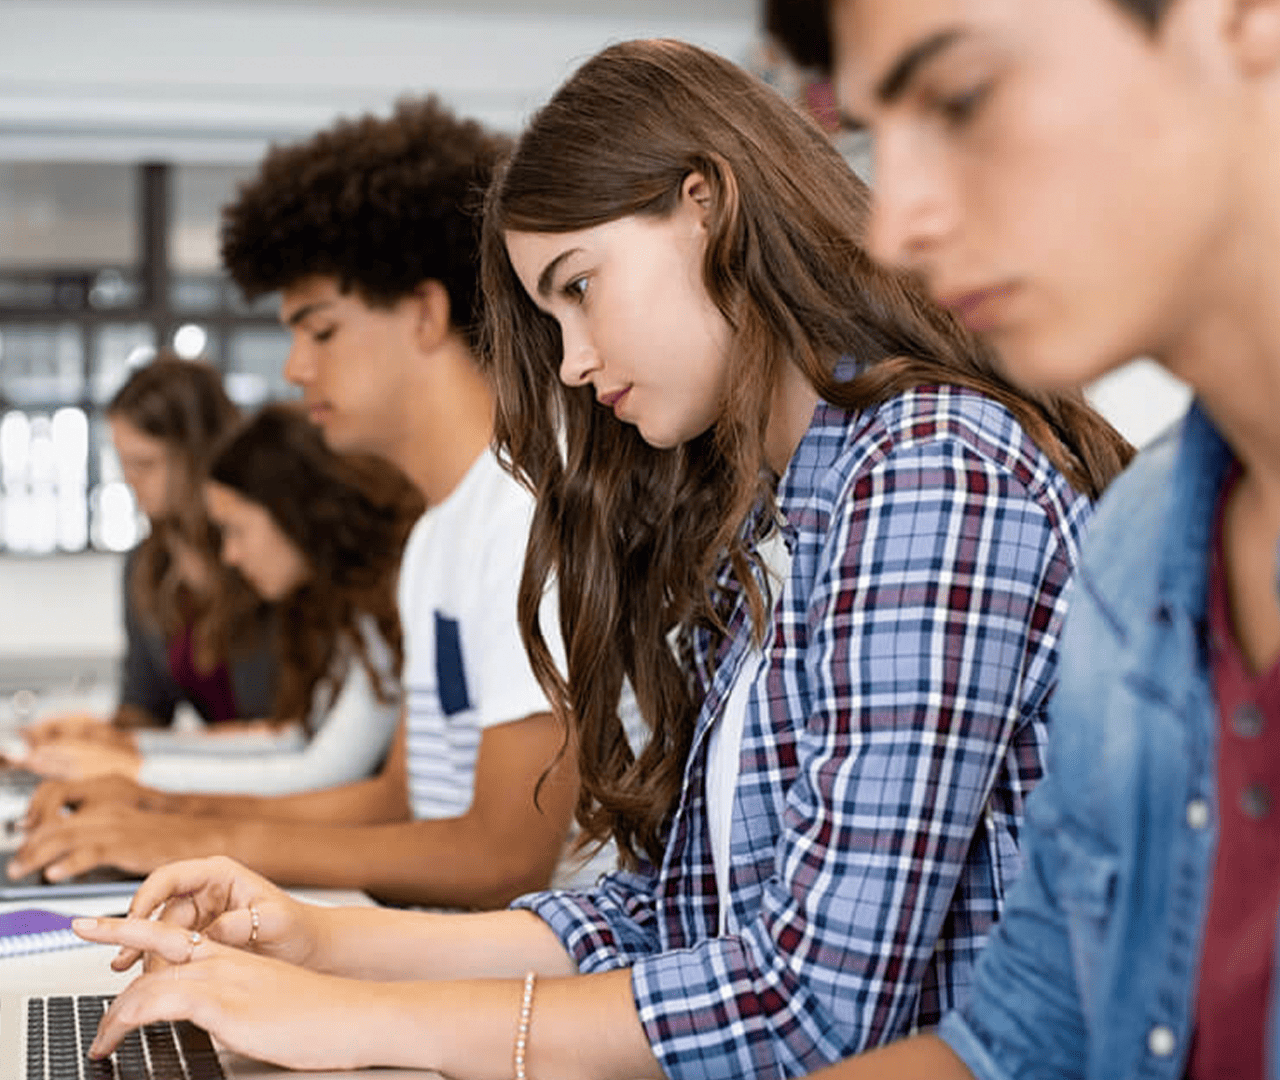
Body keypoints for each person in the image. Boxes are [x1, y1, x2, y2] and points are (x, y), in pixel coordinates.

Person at [68, 39, 1133, 1078]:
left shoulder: (927, 470)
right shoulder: (773, 509)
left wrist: (353, 1020)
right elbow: (666, 914)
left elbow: (809, 1005)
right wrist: (316, 944)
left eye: (579, 287)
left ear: (705, 207)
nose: (573, 365)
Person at [763, 0, 1280, 1078]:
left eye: (959, 99)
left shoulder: (948, 464)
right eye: (868, 132)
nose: (892, 227)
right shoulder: (1137, 547)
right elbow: (1014, 1041)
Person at [12, 95, 583, 909]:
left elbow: (501, 856)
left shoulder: (526, 515)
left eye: (319, 331)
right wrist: (165, 810)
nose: (293, 370)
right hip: (448, 949)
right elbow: (402, 801)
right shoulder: (437, 540)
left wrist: (188, 838)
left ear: (424, 313)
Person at [23, 404, 421, 796]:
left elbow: (324, 770)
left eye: (236, 530)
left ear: (292, 512)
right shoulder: (349, 605)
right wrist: (125, 748)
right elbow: (292, 739)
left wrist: (133, 769)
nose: (230, 555)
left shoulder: (388, 601)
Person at [22, 354, 277, 747]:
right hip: (218, 782)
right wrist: (96, 734)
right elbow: (146, 708)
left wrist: (174, 749)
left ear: (199, 455)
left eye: (145, 463)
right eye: (123, 463)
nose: (129, 480)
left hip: (282, 785)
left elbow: (290, 733)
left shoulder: (269, 556)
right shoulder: (147, 565)